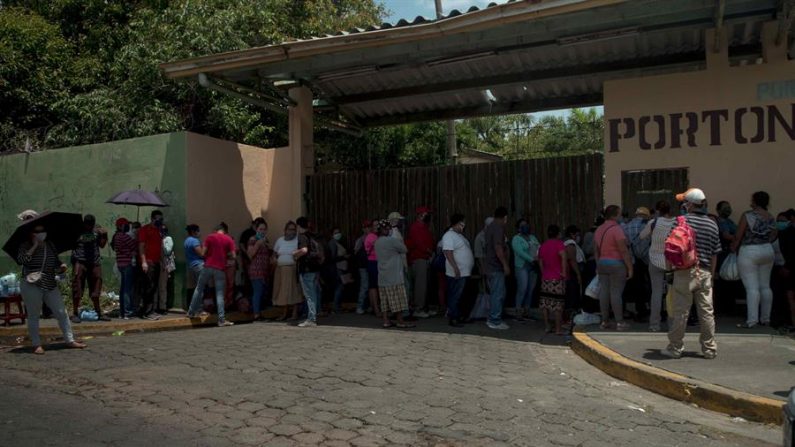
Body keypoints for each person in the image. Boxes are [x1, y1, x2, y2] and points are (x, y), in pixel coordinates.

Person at [662, 188, 720, 359]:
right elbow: (715, 253)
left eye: (684, 202)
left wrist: (669, 270)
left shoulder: (680, 222)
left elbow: (670, 248)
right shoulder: (712, 223)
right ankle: (709, 349)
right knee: (706, 312)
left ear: (690, 204)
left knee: (681, 312)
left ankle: (675, 348)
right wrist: (711, 274)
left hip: (684, 272)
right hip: (704, 272)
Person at [17, 223, 87, 354]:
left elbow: (55, 262)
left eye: (43, 230)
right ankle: (36, 344)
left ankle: (69, 340)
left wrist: (61, 267)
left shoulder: (50, 245)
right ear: (32, 234)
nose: (41, 233)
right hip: (32, 283)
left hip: (49, 283)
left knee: (61, 312)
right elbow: (22, 260)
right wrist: (35, 246)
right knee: (34, 315)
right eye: (38, 231)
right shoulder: (25, 245)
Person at [732, 191, 778, 328]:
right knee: (765, 286)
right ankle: (766, 319)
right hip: (767, 250)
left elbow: (738, 235)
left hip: (750, 251)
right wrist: (765, 241)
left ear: (755, 201)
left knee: (752, 287)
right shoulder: (770, 216)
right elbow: (774, 234)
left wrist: (734, 246)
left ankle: (752, 321)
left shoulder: (748, 215)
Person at [187, 222, 236, 327]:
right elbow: (233, 256)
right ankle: (221, 320)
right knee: (219, 294)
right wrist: (224, 255)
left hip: (207, 267)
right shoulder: (229, 239)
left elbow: (203, 253)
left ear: (215, 230)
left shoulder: (210, 237)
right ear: (225, 231)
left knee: (198, 289)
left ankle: (191, 312)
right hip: (220, 269)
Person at [594, 205, 633, 331]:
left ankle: (605, 321)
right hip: (616, 263)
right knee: (616, 293)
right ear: (615, 215)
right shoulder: (617, 229)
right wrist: (630, 267)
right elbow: (623, 250)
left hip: (602, 263)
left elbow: (595, 250)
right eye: (620, 214)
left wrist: (598, 263)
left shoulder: (599, 229)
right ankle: (619, 322)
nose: (621, 217)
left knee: (604, 292)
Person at [639, 200, 676, 332]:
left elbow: (642, 236)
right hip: (671, 262)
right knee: (672, 294)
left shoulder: (653, 223)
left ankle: (654, 324)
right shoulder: (676, 222)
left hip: (655, 260)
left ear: (658, 210)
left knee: (656, 293)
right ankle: (672, 325)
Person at [374, 220, 414, 329]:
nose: (389, 230)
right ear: (383, 230)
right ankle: (400, 321)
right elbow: (404, 249)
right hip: (394, 275)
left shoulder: (377, 242)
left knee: (385, 301)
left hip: (382, 275)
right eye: (387, 228)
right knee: (397, 300)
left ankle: (386, 321)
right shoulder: (391, 241)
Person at [70, 214, 109, 322]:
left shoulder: (97, 230)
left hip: (94, 262)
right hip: (80, 262)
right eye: (88, 224)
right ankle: (74, 313)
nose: (89, 226)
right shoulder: (78, 230)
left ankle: (98, 312)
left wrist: (104, 235)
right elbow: (72, 244)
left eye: (91, 224)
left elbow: (102, 245)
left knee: (96, 286)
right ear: (84, 223)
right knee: (77, 288)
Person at [442, 214, 474, 327]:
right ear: (457, 223)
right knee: (455, 295)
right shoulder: (449, 235)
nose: (464, 225)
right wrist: (456, 268)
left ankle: (459, 316)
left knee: (461, 296)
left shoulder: (459, 236)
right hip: (457, 272)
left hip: (464, 272)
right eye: (462, 223)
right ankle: (453, 318)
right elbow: (448, 252)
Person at [483, 207, 511, 330]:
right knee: (498, 294)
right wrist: (505, 264)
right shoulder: (498, 228)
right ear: (505, 217)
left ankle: (493, 317)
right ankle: (495, 320)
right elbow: (498, 248)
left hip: (490, 265)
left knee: (496, 292)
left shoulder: (490, 227)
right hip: (495, 266)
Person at [538, 225, 568, 335]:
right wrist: (564, 272)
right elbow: (563, 257)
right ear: (558, 234)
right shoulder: (559, 244)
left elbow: (540, 262)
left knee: (545, 303)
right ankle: (558, 329)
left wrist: (543, 273)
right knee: (558, 305)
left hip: (546, 278)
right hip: (557, 278)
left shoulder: (543, 246)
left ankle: (547, 326)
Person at [407, 206, 435, 318]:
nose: (429, 216)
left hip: (425, 258)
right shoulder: (415, 227)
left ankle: (424, 307)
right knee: (420, 286)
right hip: (419, 259)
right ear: (421, 215)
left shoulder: (424, 227)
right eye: (427, 214)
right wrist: (429, 251)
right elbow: (419, 243)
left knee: (425, 285)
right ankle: (418, 309)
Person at [295, 217, 323, 327]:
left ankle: (311, 318)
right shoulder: (312, 236)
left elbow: (304, 250)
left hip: (306, 269)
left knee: (309, 295)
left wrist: (294, 254)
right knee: (315, 293)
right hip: (315, 268)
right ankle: (315, 314)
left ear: (298, 226)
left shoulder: (302, 237)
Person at [625, 207, 652, 320]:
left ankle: (639, 309)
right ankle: (650, 308)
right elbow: (648, 242)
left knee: (637, 286)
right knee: (650, 285)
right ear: (646, 216)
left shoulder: (626, 226)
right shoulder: (647, 226)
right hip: (647, 260)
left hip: (633, 260)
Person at [272, 221, 303, 321]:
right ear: (285, 230)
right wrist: (274, 259)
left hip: (292, 269)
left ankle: (294, 314)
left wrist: (296, 255)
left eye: (294, 229)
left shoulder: (298, 240)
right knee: (283, 292)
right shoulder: (280, 240)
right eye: (290, 229)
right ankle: (284, 314)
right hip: (280, 269)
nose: (292, 232)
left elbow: (302, 251)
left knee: (294, 291)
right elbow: (274, 253)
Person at [138, 210, 165, 320]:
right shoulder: (145, 230)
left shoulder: (159, 231)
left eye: (161, 219)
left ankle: (151, 310)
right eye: (158, 219)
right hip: (148, 262)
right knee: (148, 287)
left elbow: (160, 247)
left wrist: (162, 261)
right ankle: (146, 312)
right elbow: (141, 246)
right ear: (153, 219)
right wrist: (144, 261)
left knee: (153, 287)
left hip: (156, 261)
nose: (160, 221)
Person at [511, 219, 539, 321]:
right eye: (523, 225)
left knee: (530, 290)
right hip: (522, 266)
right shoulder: (516, 239)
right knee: (522, 289)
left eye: (526, 224)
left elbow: (538, 247)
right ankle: (518, 311)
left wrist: (537, 257)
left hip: (533, 266)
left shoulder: (532, 237)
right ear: (518, 228)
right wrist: (531, 259)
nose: (525, 227)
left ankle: (527, 311)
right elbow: (520, 252)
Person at [111, 217, 137, 320]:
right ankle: (127, 312)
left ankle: (122, 313)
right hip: (127, 264)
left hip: (120, 264)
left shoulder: (116, 236)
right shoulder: (124, 236)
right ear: (121, 226)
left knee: (123, 289)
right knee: (127, 289)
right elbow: (134, 245)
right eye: (125, 225)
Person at [246, 220, 271, 320]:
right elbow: (250, 254)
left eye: (264, 229)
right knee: (257, 292)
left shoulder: (266, 240)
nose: (262, 231)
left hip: (264, 270)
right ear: (256, 229)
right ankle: (256, 314)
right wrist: (258, 244)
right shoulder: (253, 239)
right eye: (260, 229)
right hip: (256, 270)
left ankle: (259, 312)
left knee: (262, 292)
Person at [776, 209, 795, 330]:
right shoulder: (786, 232)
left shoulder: (787, 233)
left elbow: (789, 252)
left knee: (791, 297)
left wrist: (786, 267)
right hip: (789, 267)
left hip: (790, 268)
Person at [563, 225, 585, 313]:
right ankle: (571, 311)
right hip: (573, 271)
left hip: (574, 270)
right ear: (572, 234)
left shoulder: (572, 243)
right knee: (573, 291)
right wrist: (578, 274)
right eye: (577, 234)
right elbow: (572, 260)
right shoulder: (570, 244)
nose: (578, 237)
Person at [328, 227, 351, 313]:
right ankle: (335, 306)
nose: (338, 234)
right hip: (337, 268)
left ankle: (337, 305)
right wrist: (343, 257)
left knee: (341, 287)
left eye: (339, 232)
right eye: (335, 233)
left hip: (342, 267)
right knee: (339, 287)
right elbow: (333, 257)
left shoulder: (338, 243)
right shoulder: (332, 243)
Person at [353, 220, 372, 314]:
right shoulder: (360, 239)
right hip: (363, 265)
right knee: (364, 286)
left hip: (371, 264)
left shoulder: (373, 237)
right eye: (366, 227)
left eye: (369, 227)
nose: (367, 229)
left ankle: (368, 305)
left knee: (371, 286)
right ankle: (360, 306)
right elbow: (355, 252)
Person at [156, 224, 175, 314]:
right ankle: (155, 306)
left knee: (162, 287)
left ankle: (162, 307)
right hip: (157, 263)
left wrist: (161, 242)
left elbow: (167, 251)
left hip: (164, 265)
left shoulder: (168, 239)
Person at [184, 224, 204, 309]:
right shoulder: (195, 241)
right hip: (199, 265)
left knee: (196, 287)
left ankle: (194, 308)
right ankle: (199, 308)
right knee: (200, 288)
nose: (199, 232)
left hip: (191, 265)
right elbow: (201, 254)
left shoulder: (187, 241)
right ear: (193, 232)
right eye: (198, 231)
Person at [364, 219, 381, 317]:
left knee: (374, 286)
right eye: (374, 225)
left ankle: (374, 307)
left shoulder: (376, 236)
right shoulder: (371, 236)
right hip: (373, 262)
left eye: (377, 225)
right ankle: (376, 308)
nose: (376, 226)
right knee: (374, 286)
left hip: (376, 262)